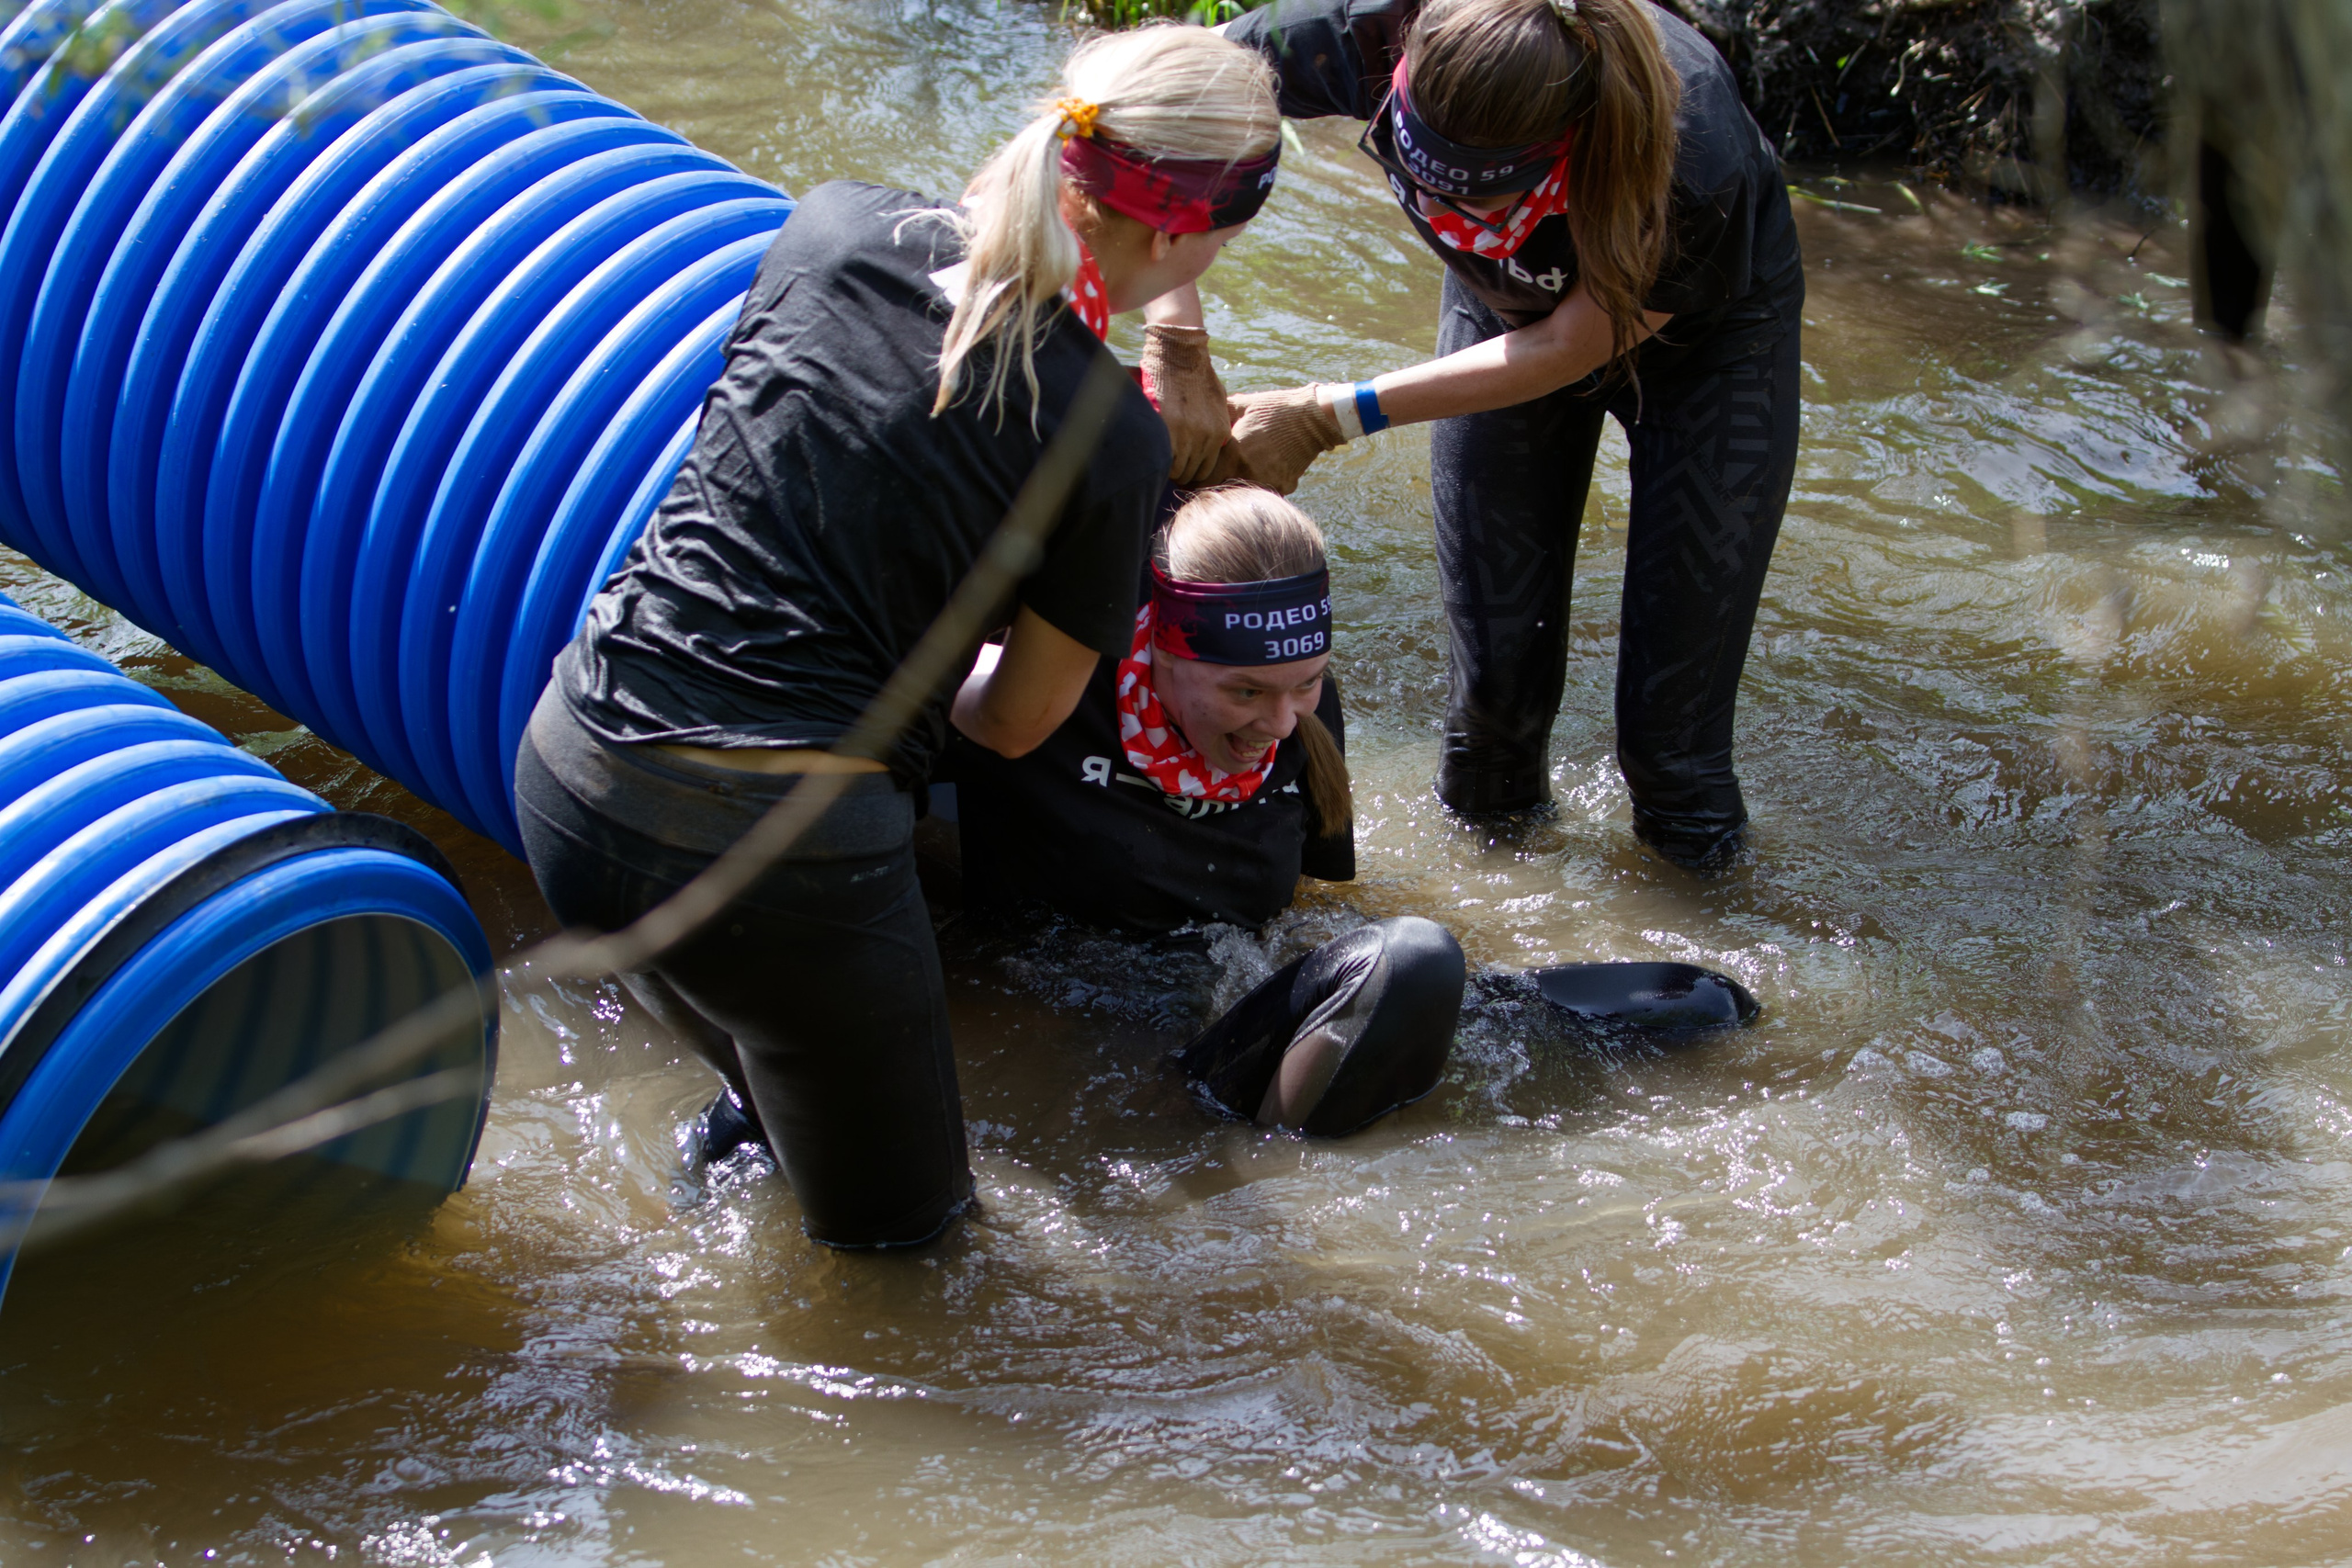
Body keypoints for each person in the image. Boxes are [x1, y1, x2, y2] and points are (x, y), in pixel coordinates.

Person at [513, 26, 1283, 1248]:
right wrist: (938, 677)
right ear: (1190, 236)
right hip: (780, 856)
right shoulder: (1107, 435)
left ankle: (701, 1227)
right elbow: (1019, 720)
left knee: (781, 1097)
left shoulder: (827, 224)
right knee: (918, 1259)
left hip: (572, 774)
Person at [1189, 0, 1804, 867]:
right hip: (1504, 307)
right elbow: (1153, 91)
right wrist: (1176, 341)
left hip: (1708, 350)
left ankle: (1714, 958)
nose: (1442, 205)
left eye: (1481, 194)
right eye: (1426, 181)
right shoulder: (1371, 25)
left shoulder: (1690, 147)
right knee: (1491, 716)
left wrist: (1330, 416)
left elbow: (1571, 344)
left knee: (1671, 751)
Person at [945, 486, 1465, 1135]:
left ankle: (1274, 1175)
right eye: (1244, 690)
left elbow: (1303, 907)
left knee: (1420, 962)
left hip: (1218, 1041)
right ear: (1165, 651)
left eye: (1306, 682)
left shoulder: (1304, 715)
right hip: (1063, 1038)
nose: (1279, 724)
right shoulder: (1042, 690)